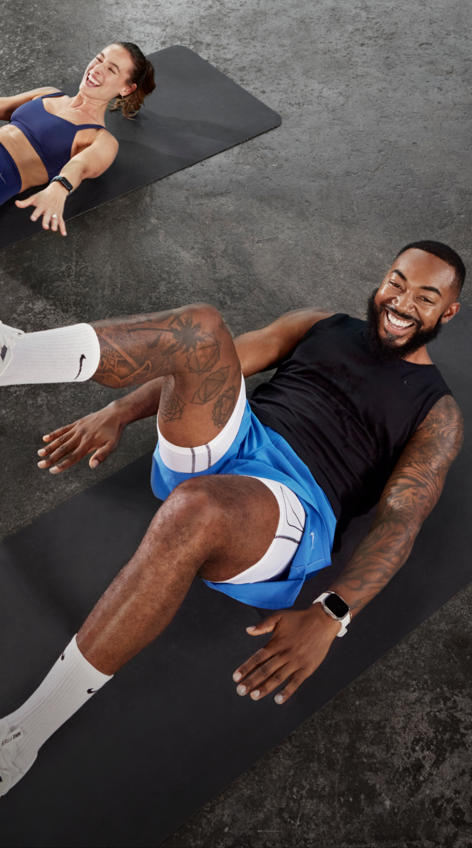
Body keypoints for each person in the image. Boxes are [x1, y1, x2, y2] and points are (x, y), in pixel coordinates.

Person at [0, 240, 465, 795]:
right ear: (384, 278)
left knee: (195, 509)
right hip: (235, 438)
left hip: (291, 504)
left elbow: (401, 520)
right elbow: (211, 362)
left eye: (425, 297)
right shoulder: (321, 323)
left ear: (448, 313)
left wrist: (332, 614)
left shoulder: (437, 413)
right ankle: (11, 355)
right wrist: (119, 410)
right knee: (200, 326)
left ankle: (22, 736)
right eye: (397, 283)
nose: (402, 303)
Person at [0, 42, 155, 235]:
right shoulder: (49, 93)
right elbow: (3, 106)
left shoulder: (101, 139)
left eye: (111, 69)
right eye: (99, 59)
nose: (97, 69)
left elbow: (79, 166)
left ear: (126, 89)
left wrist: (60, 187)